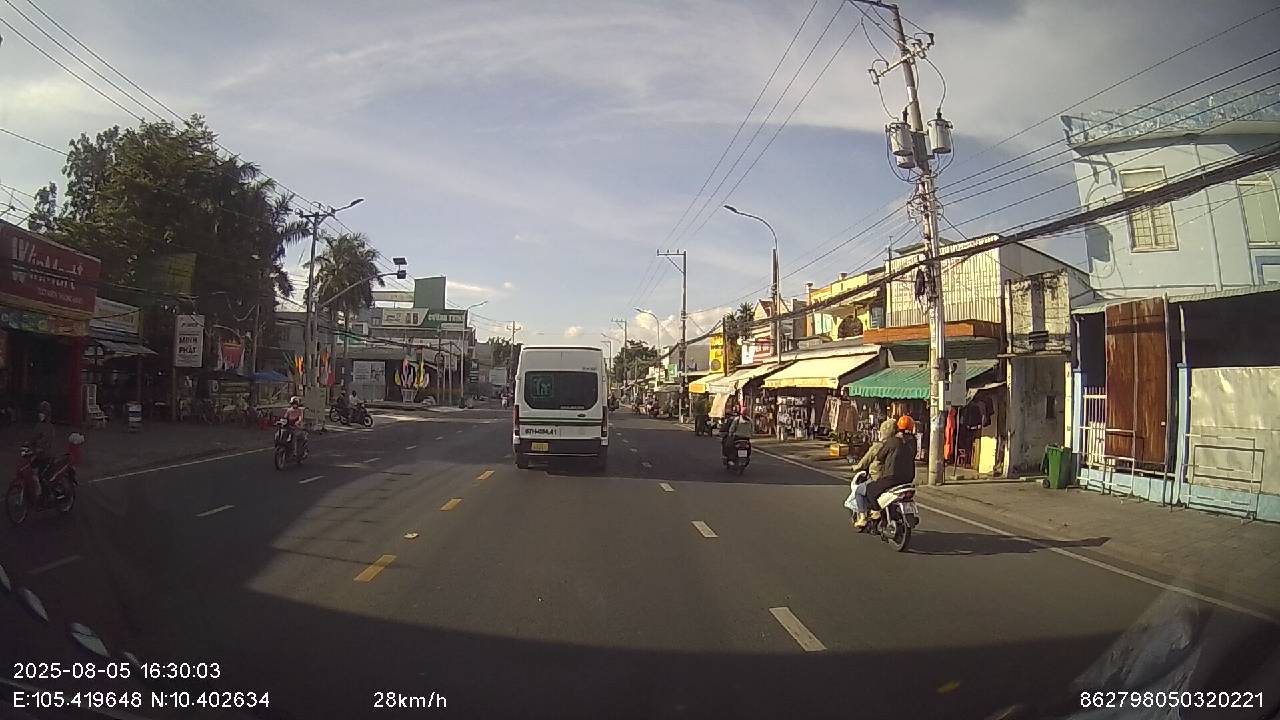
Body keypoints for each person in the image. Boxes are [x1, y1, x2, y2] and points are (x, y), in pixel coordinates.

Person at [861, 415, 918, 523]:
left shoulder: (892, 441)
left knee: (870, 489)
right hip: (909, 477)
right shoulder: (913, 441)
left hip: (892, 477)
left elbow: (880, 456)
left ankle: (876, 511)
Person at [847, 418, 898, 528]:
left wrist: (855, 467)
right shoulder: (898, 445)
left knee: (859, 491)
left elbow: (864, 462)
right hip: (895, 478)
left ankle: (862, 518)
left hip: (878, 478)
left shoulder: (878, 446)